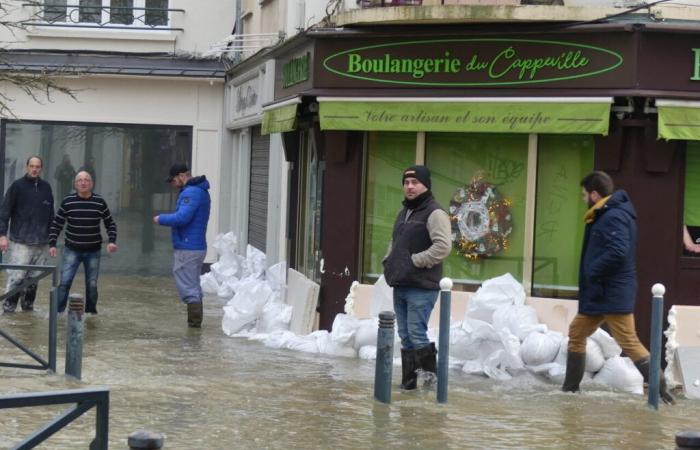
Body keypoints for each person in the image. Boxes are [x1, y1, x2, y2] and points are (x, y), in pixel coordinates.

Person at [562, 171, 675, 404]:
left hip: (611, 293)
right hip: (600, 294)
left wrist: (593, 269)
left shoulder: (613, 216)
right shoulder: (604, 214)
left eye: (584, 195)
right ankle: (570, 390)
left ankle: (661, 389)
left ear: (595, 194)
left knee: (629, 342)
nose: (583, 199)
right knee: (576, 333)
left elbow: (618, 251)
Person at [382, 165, 451, 390]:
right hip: (401, 283)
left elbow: (443, 246)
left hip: (421, 286)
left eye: (415, 182)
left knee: (416, 333)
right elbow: (395, 242)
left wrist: (414, 261)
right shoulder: (405, 212)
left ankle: (432, 387)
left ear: (426, 185)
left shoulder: (434, 212)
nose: (410, 187)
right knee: (405, 336)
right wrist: (389, 260)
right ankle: (409, 385)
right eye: (406, 182)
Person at [48, 171, 118, 314]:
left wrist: (112, 241)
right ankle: (57, 315)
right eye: (80, 180)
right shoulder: (68, 201)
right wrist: (52, 244)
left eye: (86, 180)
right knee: (64, 283)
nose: (83, 182)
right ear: (75, 184)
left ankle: (91, 316)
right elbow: (57, 224)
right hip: (71, 249)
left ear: (91, 184)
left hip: (93, 251)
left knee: (92, 286)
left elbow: (110, 223)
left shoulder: (99, 202)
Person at [153, 163, 211, 328]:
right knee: (192, 285)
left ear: (181, 176)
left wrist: (160, 219)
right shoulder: (198, 191)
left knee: (188, 287)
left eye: (173, 180)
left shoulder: (191, 192)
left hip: (188, 247)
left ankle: (194, 327)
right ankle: (194, 324)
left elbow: (182, 218)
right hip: (194, 246)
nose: (172, 184)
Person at [0, 156, 54, 313]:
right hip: (20, 241)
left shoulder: (46, 187)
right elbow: (4, 212)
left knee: (34, 279)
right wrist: (2, 235)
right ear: (26, 167)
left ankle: (28, 310)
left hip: (42, 242)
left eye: (37, 166)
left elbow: (51, 215)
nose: (34, 169)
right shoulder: (17, 186)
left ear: (41, 168)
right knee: (17, 277)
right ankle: (8, 309)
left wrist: (52, 240)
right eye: (31, 166)